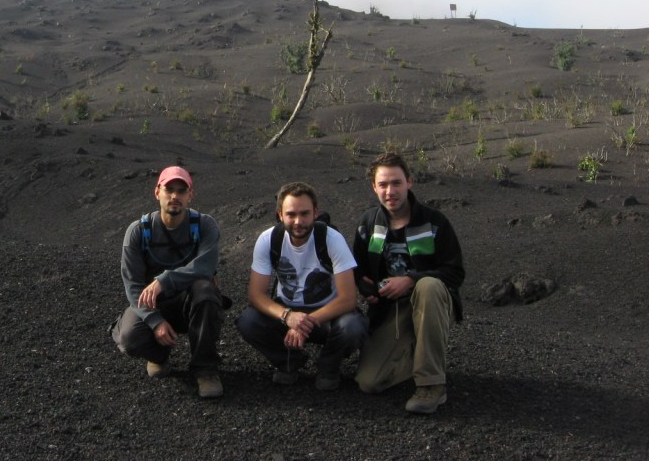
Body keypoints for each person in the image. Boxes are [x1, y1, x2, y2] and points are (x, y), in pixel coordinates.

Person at [352, 151, 466, 414]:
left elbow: (455, 273)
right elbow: (355, 268)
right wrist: (364, 285)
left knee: (428, 285)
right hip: (390, 311)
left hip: (431, 302)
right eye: (383, 184)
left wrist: (411, 280)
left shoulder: (433, 222)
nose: (390, 190)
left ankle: (432, 386)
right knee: (369, 382)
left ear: (409, 182)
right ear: (374, 187)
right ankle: (415, 352)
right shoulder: (368, 224)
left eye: (396, 183)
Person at [235, 181, 367, 390]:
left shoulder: (332, 239)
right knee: (248, 321)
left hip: (327, 313)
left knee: (353, 326)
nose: (298, 221)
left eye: (305, 214)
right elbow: (256, 295)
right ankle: (289, 361)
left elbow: (348, 299)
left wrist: (305, 322)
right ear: (280, 215)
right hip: (287, 310)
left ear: (315, 212)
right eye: (291, 214)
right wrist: (288, 316)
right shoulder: (269, 240)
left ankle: (328, 366)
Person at [110, 165, 227, 398]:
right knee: (128, 338)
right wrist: (154, 321)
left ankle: (206, 370)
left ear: (190, 195)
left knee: (205, 291)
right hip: (154, 304)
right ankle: (159, 355)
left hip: (190, 303)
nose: (175, 196)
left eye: (181, 191)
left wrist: (164, 280)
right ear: (157, 192)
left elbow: (205, 267)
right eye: (169, 189)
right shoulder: (138, 231)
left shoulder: (205, 225)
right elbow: (132, 284)